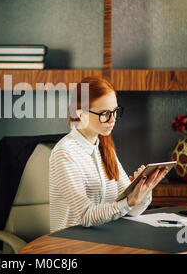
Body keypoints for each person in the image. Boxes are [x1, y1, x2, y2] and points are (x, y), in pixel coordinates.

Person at [49, 76, 168, 232]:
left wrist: (143, 191)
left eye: (115, 111)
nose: (112, 120)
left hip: (105, 238)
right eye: (104, 113)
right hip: (72, 244)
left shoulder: (105, 148)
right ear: (80, 114)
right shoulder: (65, 153)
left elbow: (130, 211)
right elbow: (85, 215)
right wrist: (129, 202)